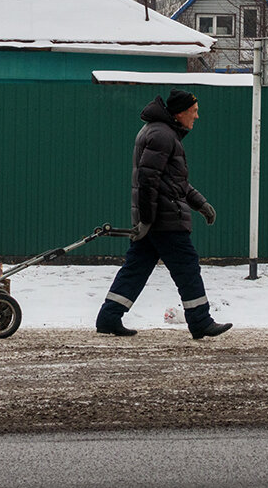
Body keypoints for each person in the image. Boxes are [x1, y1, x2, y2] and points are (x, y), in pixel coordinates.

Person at [95, 89, 233, 340]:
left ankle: (109, 317)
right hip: (165, 221)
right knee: (187, 268)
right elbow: (148, 181)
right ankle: (200, 321)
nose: (197, 116)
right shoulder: (162, 136)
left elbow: (173, 182)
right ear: (180, 113)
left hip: (156, 219)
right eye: (194, 111)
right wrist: (147, 220)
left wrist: (201, 204)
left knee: (135, 269)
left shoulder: (160, 133)